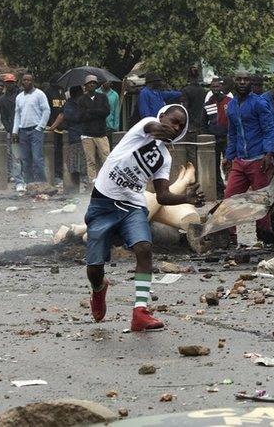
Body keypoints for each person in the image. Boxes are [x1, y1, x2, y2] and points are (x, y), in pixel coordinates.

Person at [84, 104, 204, 332]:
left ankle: (140, 311)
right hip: (103, 202)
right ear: (162, 116)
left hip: (133, 205)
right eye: (173, 120)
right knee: (94, 267)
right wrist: (160, 128)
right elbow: (154, 127)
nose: (175, 127)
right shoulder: (145, 126)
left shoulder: (164, 158)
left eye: (180, 126)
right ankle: (99, 289)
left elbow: (163, 195)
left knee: (144, 247)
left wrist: (187, 198)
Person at [223, 71, 274, 245]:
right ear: (234, 82)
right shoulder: (231, 106)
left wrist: (268, 153)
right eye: (238, 79)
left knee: (261, 201)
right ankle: (230, 236)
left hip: (258, 160)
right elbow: (232, 133)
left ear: (250, 83)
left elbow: (269, 129)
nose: (242, 82)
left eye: (245, 79)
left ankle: (265, 237)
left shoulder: (259, 103)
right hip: (240, 161)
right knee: (230, 197)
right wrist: (228, 156)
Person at [13, 73, 50, 185]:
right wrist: (15, 131)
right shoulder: (19, 97)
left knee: (37, 159)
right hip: (23, 131)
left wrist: (40, 127)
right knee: (25, 160)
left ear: (32, 81)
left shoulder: (39, 94)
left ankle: (42, 184)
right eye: (24, 80)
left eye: (29, 80)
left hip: (35, 130)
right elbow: (17, 115)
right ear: (21, 82)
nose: (26, 82)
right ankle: (30, 185)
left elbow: (46, 111)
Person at [49, 86, 87, 191]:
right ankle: (84, 184)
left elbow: (61, 116)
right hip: (82, 136)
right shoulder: (77, 104)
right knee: (83, 162)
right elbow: (62, 116)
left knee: (75, 163)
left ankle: (76, 187)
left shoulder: (69, 104)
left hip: (76, 136)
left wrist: (52, 127)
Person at [78, 75, 112, 185]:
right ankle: (92, 183)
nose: (92, 85)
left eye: (94, 83)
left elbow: (106, 112)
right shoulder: (82, 99)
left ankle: (108, 181)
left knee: (106, 158)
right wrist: (97, 112)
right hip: (87, 134)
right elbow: (82, 116)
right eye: (89, 83)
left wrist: (91, 111)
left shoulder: (102, 97)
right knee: (90, 161)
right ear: (86, 86)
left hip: (101, 133)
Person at [203, 77, 231, 195]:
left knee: (229, 164)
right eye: (213, 87)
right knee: (214, 166)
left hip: (227, 138)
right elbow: (203, 123)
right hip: (213, 139)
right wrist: (207, 136)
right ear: (210, 88)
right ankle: (219, 190)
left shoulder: (229, 101)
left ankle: (230, 188)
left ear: (221, 87)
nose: (215, 89)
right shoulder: (207, 104)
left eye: (217, 86)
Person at [0, 74, 22, 188]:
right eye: (7, 82)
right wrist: (10, 130)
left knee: (26, 156)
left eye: (11, 82)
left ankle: (27, 179)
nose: (9, 84)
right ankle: (19, 181)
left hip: (24, 128)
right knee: (15, 157)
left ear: (15, 83)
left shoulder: (21, 95)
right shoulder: (2, 99)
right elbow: (3, 117)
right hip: (12, 130)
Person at [180, 64, 207, 135]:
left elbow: (184, 109)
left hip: (190, 126)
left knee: (191, 145)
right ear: (198, 76)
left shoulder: (186, 90)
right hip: (202, 125)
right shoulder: (203, 90)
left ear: (189, 77)